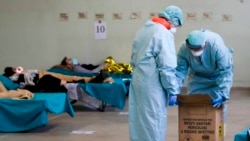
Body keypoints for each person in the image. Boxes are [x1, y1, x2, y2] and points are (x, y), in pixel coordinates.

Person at [128, 5, 184, 141]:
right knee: (154, 122)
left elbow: (133, 59)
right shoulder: (163, 33)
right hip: (152, 86)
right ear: (174, 20)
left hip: (137, 82)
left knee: (138, 121)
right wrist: (173, 90)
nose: (176, 28)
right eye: (178, 24)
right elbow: (167, 67)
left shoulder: (143, 30)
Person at [175, 29, 234, 133]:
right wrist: (174, 91)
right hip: (197, 78)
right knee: (194, 107)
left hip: (217, 77)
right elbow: (180, 72)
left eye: (198, 48)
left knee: (218, 110)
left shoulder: (216, 46)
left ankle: (218, 135)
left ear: (205, 44)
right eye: (192, 49)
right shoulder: (183, 49)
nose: (195, 51)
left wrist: (223, 94)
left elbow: (226, 72)